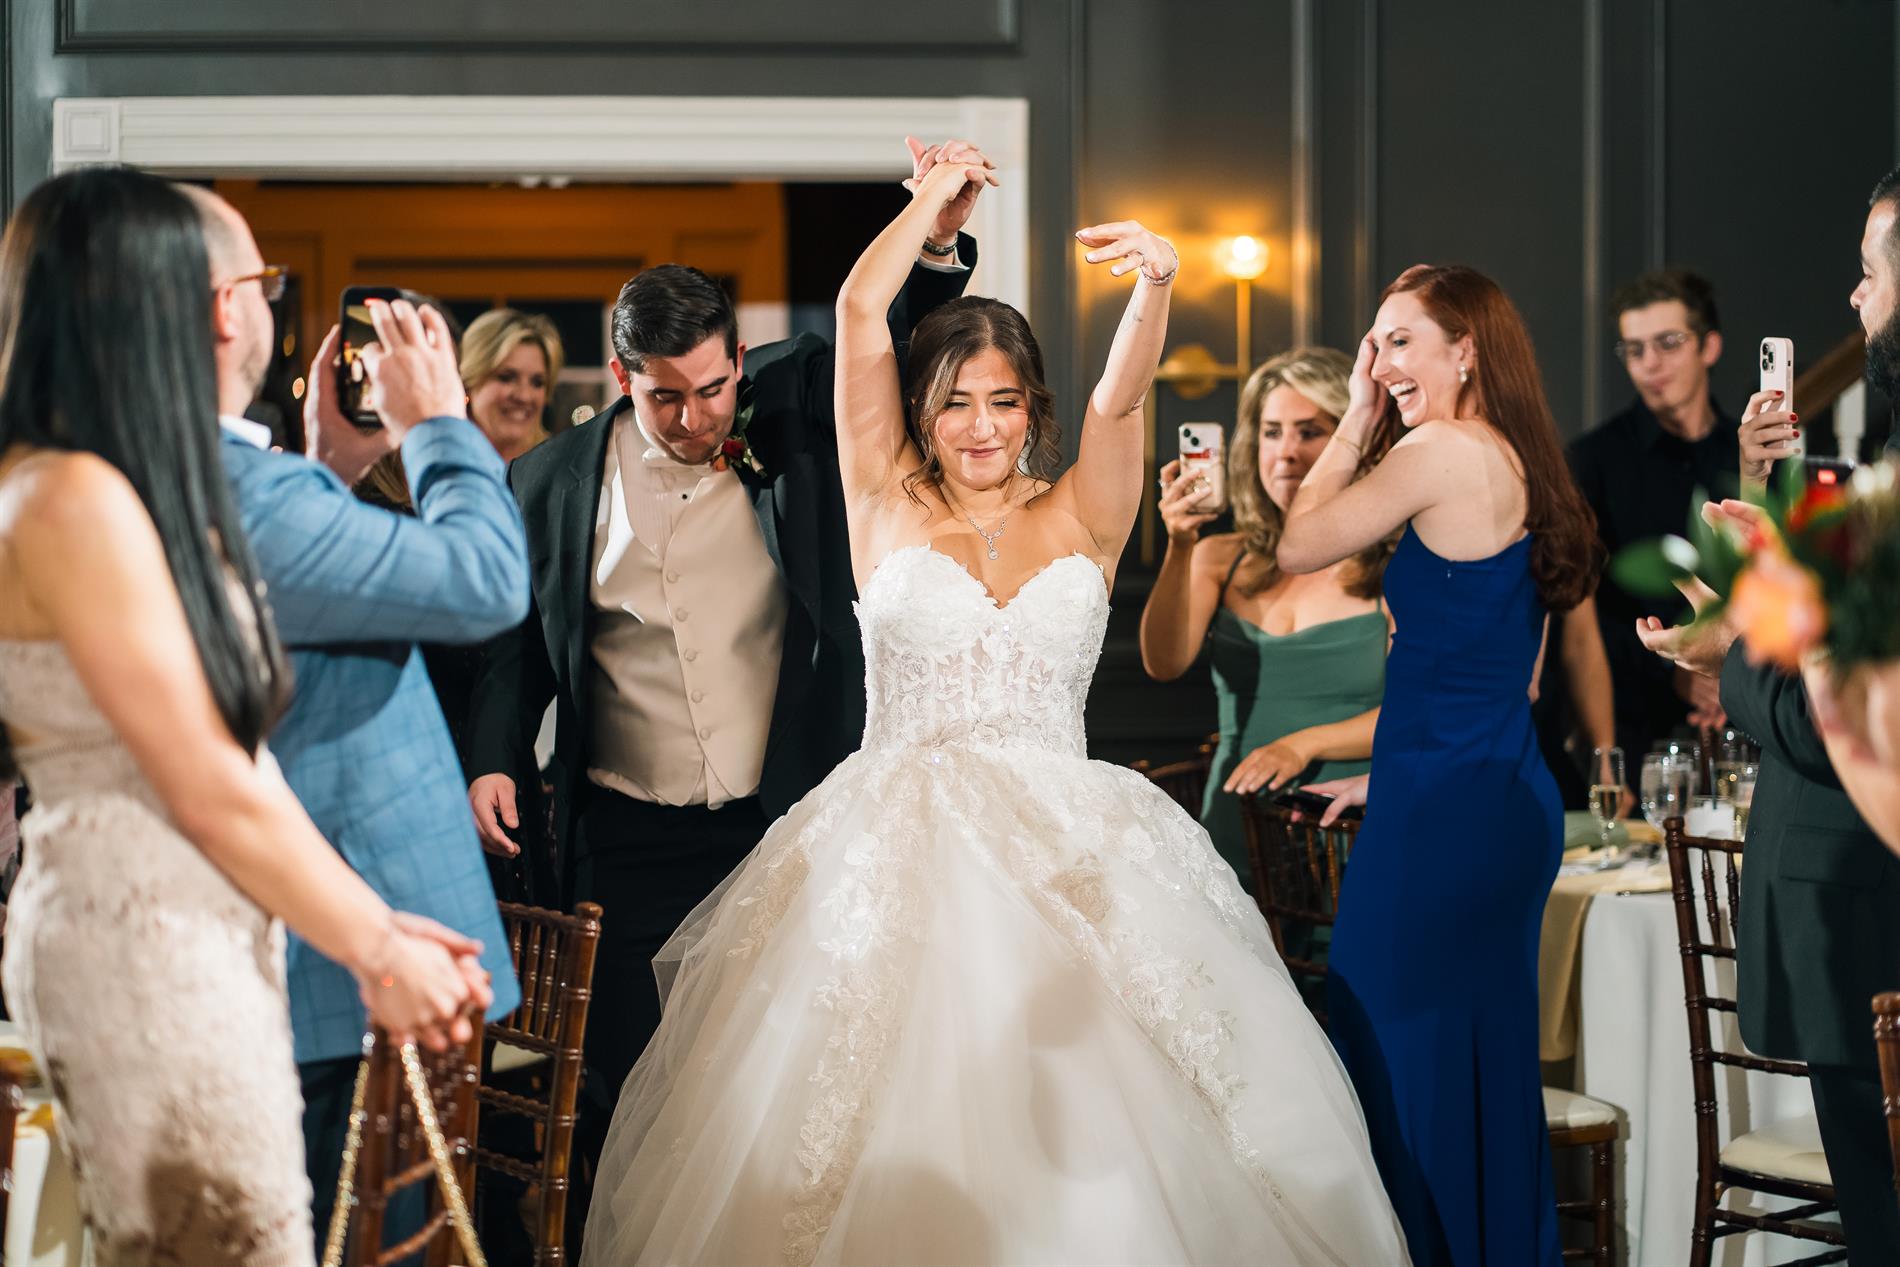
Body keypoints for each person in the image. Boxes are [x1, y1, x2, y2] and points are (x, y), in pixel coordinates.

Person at [580, 147, 1408, 1267]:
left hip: (1073, 854)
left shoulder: (1083, 514)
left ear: (1032, 410)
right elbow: (860, 311)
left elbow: (1124, 395)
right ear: (921, 412)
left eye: (1004, 402)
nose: (980, 427)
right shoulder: (879, 496)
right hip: (893, 853)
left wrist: (1158, 281)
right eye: (956, 403)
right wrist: (931, 203)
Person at [464, 137, 981, 1182]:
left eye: (711, 387)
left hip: (782, 817)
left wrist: (935, 241)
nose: (696, 417)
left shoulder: (794, 398)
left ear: (738, 359)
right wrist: (491, 758)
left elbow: (898, 338)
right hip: (626, 832)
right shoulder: (546, 482)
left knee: (787, 1076)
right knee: (631, 1084)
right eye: (666, 397)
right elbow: (515, 646)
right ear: (621, 377)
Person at [0, 167, 488, 1266]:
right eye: (253, 284)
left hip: (190, 924)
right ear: (196, 303)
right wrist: (375, 948)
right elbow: (206, 779)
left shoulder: (98, 482)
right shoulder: (71, 496)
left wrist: (374, 918)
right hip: (146, 940)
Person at [188, 185, 528, 1246]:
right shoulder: (242, 491)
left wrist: (328, 466)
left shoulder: (198, 475)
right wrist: (436, 425)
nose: (272, 302)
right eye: (263, 282)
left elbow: (295, 595)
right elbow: (486, 582)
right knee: (362, 1239)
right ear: (224, 309)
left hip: (302, 946)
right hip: (339, 959)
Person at [1279, 264, 1602, 1265]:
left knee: (1392, 1053)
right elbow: (1517, 676)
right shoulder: (1521, 458)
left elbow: (1298, 543)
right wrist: (1399, 771)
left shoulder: (1438, 450)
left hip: (1445, 814)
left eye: (1398, 340)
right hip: (1497, 800)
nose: (1379, 362)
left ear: (1465, 349)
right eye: (1374, 343)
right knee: (1478, 1065)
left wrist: (1353, 416)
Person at [1638, 166, 1900, 1258]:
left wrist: (1730, 642)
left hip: (1862, 916)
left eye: (1871, 270)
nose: (1853, 296)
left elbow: (1829, 715)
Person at [1138, 347, 1391, 893]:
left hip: (1352, 825)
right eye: (1272, 433)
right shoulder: (1219, 557)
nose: (1287, 453)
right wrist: (1180, 544)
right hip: (1237, 825)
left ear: (1353, 442)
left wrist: (1305, 744)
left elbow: (1420, 712)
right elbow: (1163, 663)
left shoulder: (1393, 567)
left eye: (1310, 432)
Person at [1570, 270, 1738, 761]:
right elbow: (1579, 612)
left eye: (1668, 343)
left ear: (1709, 347)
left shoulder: (1747, 456)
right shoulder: (1591, 461)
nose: (1649, 364)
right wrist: (1676, 670)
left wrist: (1732, 674)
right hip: (1630, 726)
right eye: (1634, 349)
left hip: (1746, 717)